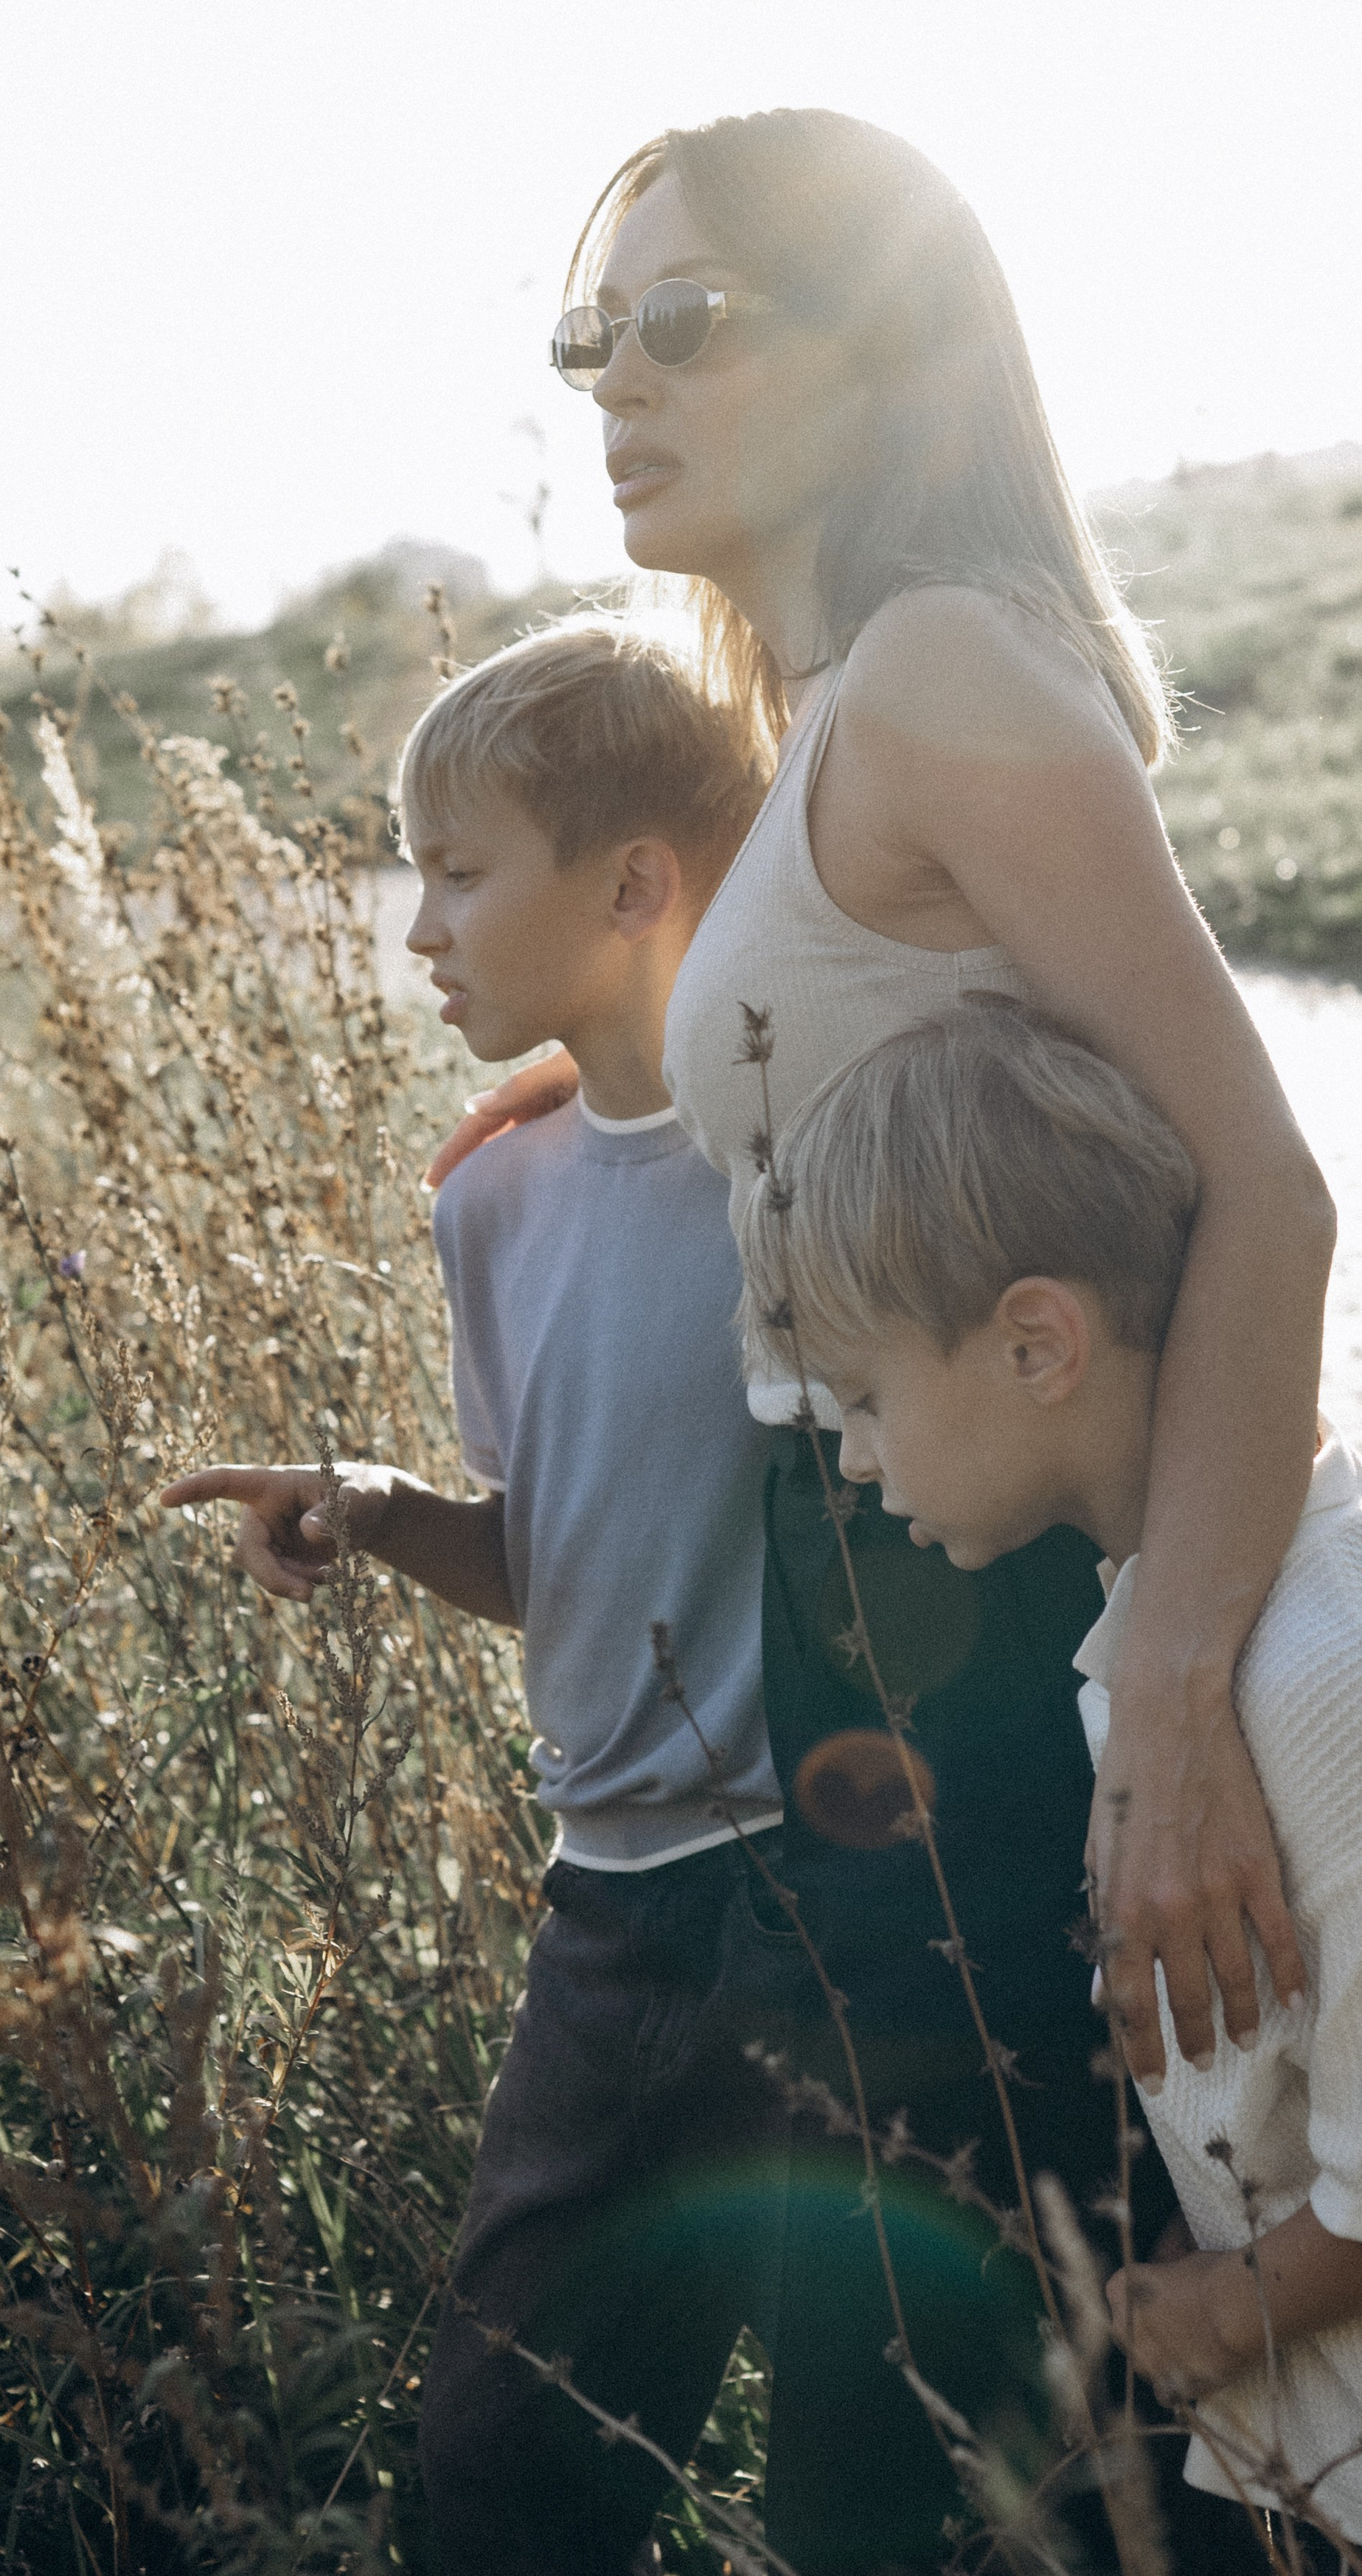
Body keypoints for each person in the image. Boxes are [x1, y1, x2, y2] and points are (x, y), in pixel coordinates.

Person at [431, 105, 1334, 2570]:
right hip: (866, 1628)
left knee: (970, 2418)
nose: (619, 381)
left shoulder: (938, 670)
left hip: (1011, 1660)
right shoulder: (825, 691)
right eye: (589, 336)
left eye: (692, 324)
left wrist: (1166, 1692)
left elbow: (1263, 1182)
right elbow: (843, 1040)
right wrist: (639, 1077)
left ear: (891, 351)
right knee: (946, 2409)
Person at [735, 993, 1362, 2576]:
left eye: (866, 1402)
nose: (855, 1464)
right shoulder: (1202, 1600)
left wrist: (1227, 2303)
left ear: (1035, 1344)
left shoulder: (1314, 1673)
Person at [161, 621, 796, 2576]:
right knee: (504, 2480)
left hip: (839, 1907)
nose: (415, 929)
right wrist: (372, 1508)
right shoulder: (490, 1201)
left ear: (633, 885)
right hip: (610, 1921)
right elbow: (551, 1558)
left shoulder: (804, 1148)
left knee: (915, 2476)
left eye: (457, 871)